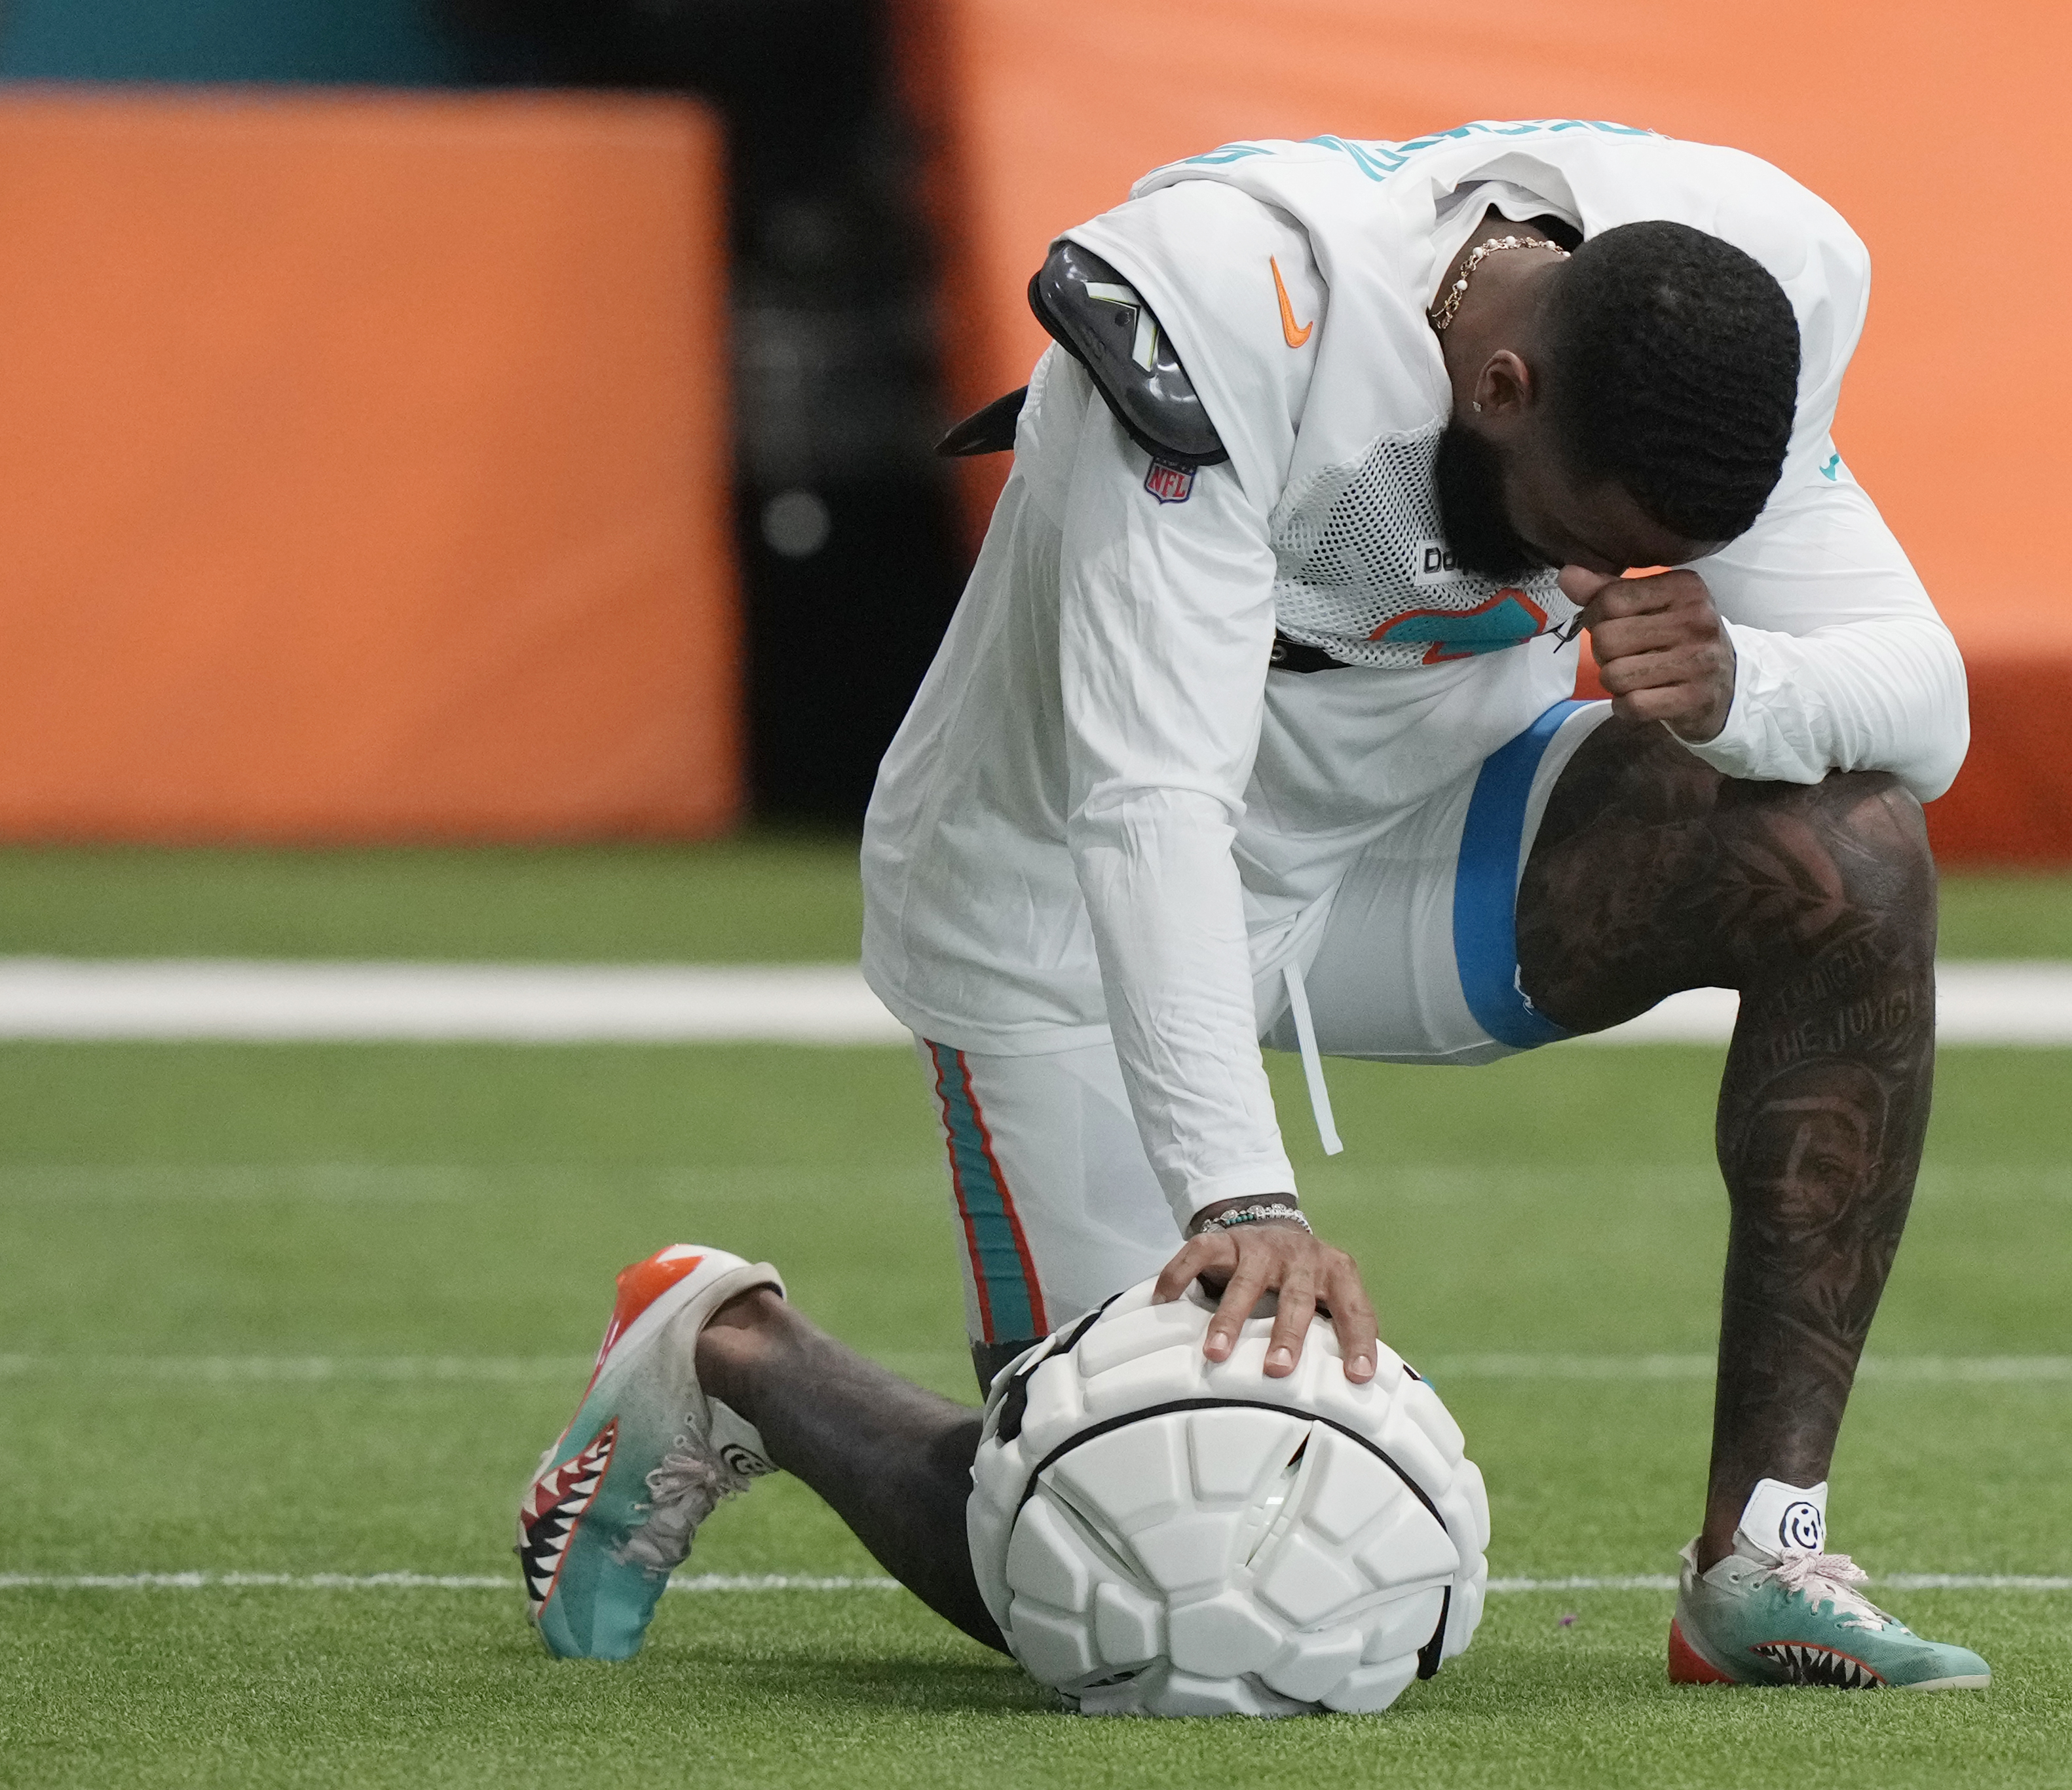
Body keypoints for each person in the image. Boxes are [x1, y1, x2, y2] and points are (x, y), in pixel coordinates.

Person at [514, 120, 1987, 1691]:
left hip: (1411, 832)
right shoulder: (1231, 306)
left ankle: (1759, 1553)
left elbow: (1926, 706)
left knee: (1851, 857)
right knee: (1125, 1562)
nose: (1586, 590)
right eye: (1580, 544)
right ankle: (731, 1352)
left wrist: (1744, 685)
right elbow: (1148, 795)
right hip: (1065, 898)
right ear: (1501, 387)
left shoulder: (1739, 284)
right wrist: (1241, 1200)